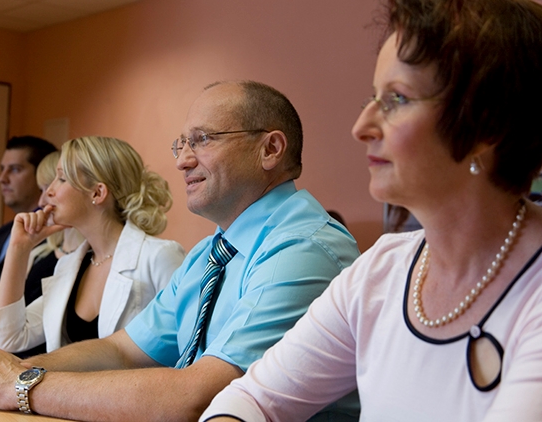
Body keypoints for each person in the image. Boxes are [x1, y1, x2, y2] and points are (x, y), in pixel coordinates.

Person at [200, 1, 542, 421]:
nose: (360, 126)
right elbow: (251, 398)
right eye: (373, 97)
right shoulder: (381, 269)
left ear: (487, 125)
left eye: (397, 99)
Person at [0, 81, 359, 420]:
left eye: (203, 140)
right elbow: (123, 351)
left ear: (271, 149)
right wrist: (15, 370)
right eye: (182, 144)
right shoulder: (209, 254)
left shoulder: (301, 248)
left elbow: (198, 396)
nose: (182, 161)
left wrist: (22, 385)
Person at [0, 136, 185, 355]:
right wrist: (18, 249)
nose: (47, 193)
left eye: (61, 178)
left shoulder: (159, 256)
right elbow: (9, 339)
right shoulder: (69, 267)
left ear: (97, 193)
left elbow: (187, 351)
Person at [0, 151, 85, 353]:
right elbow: (7, 335)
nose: (44, 198)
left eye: (59, 181)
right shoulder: (42, 254)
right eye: (43, 188)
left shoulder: (81, 259)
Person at [0, 136, 57, 344]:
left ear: (43, 177)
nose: (2, 178)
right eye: (2, 169)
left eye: (14, 169)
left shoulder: (55, 243)